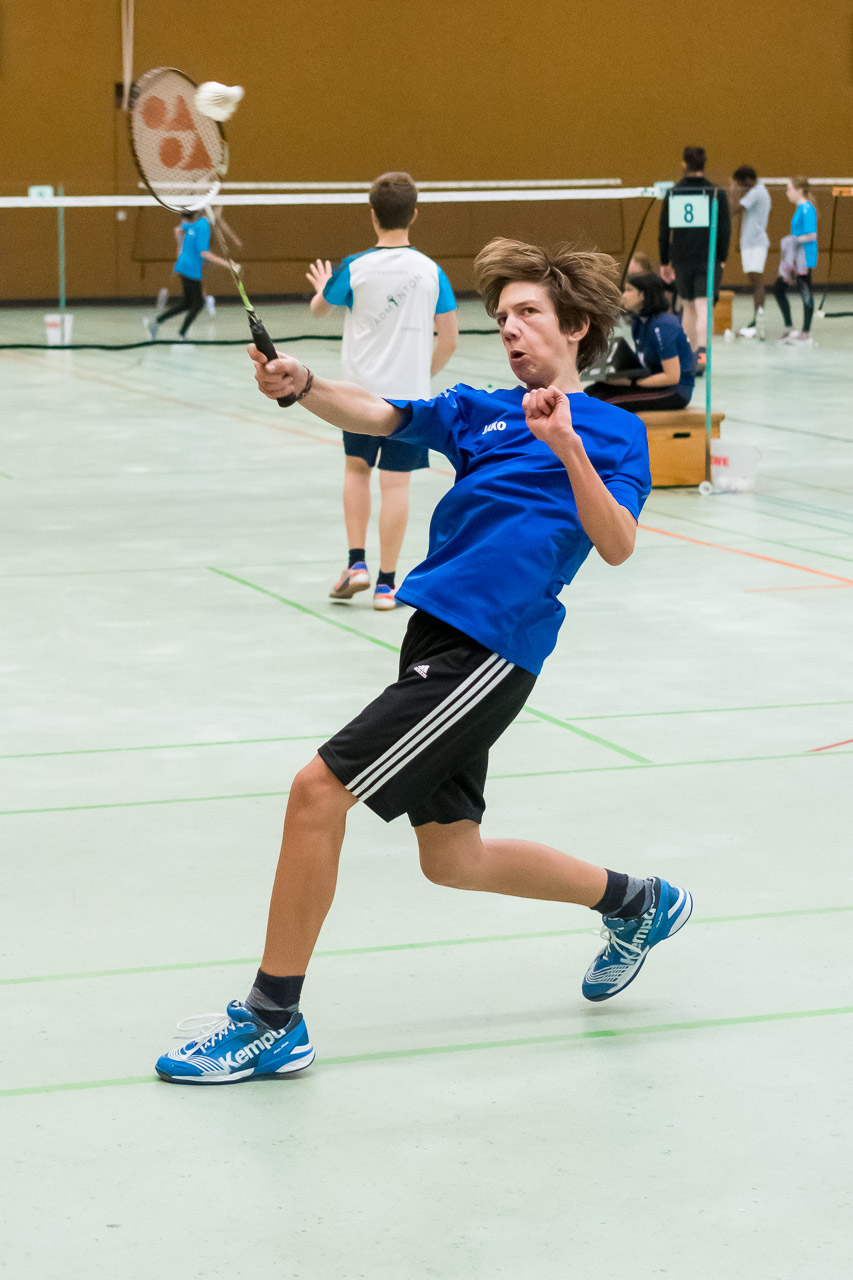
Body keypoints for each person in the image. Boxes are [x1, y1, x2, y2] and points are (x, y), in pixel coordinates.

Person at [154, 237, 693, 1086]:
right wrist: (305, 383)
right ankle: (637, 901)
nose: (508, 328)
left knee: (316, 791)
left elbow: (617, 543)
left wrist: (566, 447)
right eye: (502, 315)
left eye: (527, 313)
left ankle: (271, 1020)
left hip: (490, 648)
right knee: (453, 858)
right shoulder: (479, 407)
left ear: (575, 327)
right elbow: (382, 414)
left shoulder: (614, 432)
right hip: (434, 634)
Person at [306, 172, 458, 611]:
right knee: (396, 486)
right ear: (414, 214)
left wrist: (322, 290)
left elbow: (319, 311)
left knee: (357, 470)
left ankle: (356, 564)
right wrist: (418, 377)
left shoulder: (355, 266)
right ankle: (387, 587)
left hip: (359, 397)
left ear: (373, 216)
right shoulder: (431, 272)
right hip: (409, 401)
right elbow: (449, 339)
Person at [658, 146, 730, 372]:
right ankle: (702, 356)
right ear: (704, 163)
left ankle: (687, 358)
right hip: (707, 259)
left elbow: (664, 230)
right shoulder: (715, 193)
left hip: (681, 259)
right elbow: (725, 229)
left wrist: (664, 260)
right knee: (703, 307)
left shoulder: (674, 193)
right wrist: (722, 257)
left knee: (688, 308)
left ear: (684, 164)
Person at [586, 273, 695, 411]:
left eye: (629, 290)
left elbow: (672, 377)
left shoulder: (664, 325)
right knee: (592, 392)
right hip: (651, 383)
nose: (623, 295)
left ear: (643, 295)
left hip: (674, 391)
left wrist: (631, 383)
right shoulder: (639, 322)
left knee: (608, 403)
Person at [144, 210, 232, 341]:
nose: (219, 212)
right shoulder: (203, 225)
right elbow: (204, 253)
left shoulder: (194, 224)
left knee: (187, 303)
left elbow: (178, 229)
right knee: (198, 303)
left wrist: (182, 239)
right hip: (190, 269)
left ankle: (158, 323)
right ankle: (181, 333)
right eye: (217, 210)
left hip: (185, 266)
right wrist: (228, 264)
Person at [772, 177, 818, 346]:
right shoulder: (800, 209)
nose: (787, 193)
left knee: (805, 292)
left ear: (799, 190)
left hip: (804, 258)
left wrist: (794, 240)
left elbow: (812, 235)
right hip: (794, 259)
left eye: (789, 189)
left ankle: (805, 333)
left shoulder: (807, 209)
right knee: (778, 289)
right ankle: (789, 327)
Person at [729, 166, 771, 339]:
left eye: (740, 183)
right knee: (755, 282)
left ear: (746, 180)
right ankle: (756, 321)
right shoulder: (757, 191)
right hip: (750, 243)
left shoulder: (757, 192)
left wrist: (733, 192)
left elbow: (733, 209)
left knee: (757, 282)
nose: (740, 186)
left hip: (756, 244)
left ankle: (757, 322)